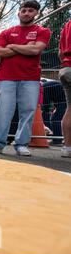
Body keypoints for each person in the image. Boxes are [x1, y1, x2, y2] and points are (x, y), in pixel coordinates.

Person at [0, 0, 51, 156]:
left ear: (36, 13)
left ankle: (21, 144)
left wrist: (12, 46)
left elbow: (35, 50)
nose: (27, 13)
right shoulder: (6, 32)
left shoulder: (43, 31)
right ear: (19, 12)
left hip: (30, 78)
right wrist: (25, 47)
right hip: (7, 77)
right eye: (24, 10)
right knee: (3, 111)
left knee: (27, 111)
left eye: (30, 11)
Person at [59, 19, 71, 158]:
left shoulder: (67, 24)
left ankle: (67, 147)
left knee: (70, 108)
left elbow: (60, 51)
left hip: (65, 67)